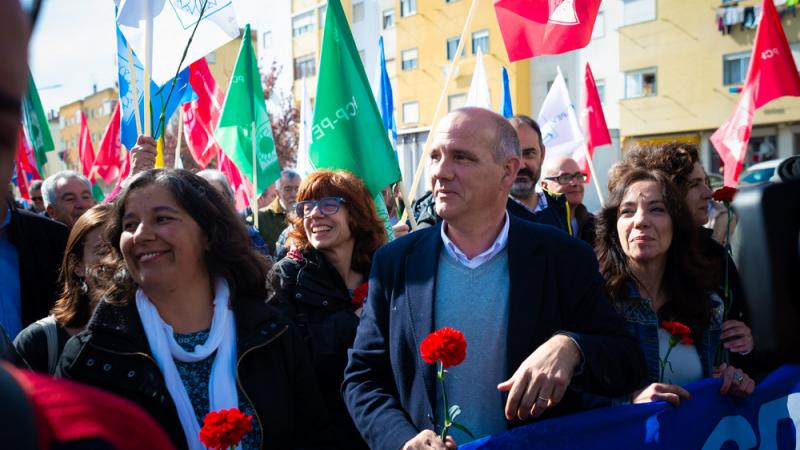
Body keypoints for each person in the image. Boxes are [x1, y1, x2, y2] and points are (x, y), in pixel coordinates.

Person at [342, 108, 645, 450]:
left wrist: (572, 347)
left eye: (461, 157)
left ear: (507, 171)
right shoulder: (396, 263)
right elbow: (363, 378)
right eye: (436, 157)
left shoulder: (564, 257)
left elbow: (626, 361)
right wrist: (402, 440)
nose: (441, 172)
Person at [57, 169, 333, 450]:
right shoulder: (90, 356)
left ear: (208, 234)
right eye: (129, 224)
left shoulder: (273, 334)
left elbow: (315, 438)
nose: (141, 235)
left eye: (162, 219)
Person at [595, 168, 755, 405]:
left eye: (656, 209)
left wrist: (736, 377)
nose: (640, 221)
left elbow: (724, 376)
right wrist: (628, 402)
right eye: (627, 211)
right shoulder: (594, 304)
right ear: (614, 227)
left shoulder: (708, 304)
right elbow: (572, 397)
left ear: (676, 224)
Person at [269, 170, 387, 449]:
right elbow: (288, 363)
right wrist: (353, 321)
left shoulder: (385, 272)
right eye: (306, 208)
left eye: (329, 205)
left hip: (380, 429)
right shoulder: (285, 278)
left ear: (356, 214)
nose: (314, 215)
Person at [610, 143, 753, 363]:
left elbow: (732, 341)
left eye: (705, 182)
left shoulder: (714, 255)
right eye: (695, 185)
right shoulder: (606, 282)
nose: (709, 194)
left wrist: (743, 344)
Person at [14, 204, 112, 374]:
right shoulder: (39, 340)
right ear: (77, 265)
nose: (115, 260)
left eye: (122, 249)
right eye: (103, 251)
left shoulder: (157, 328)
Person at [197, 169, 270, 257]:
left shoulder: (249, 237)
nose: (210, 200)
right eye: (202, 194)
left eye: (216, 194)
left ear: (228, 198)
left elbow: (264, 268)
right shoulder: (186, 236)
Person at [539, 155, 596, 245]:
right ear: (545, 186)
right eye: (565, 178)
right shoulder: (538, 226)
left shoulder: (596, 225)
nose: (575, 183)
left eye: (579, 176)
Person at [247, 169, 301, 253]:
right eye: (288, 189)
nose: (294, 194)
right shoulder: (259, 218)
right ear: (278, 193)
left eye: (297, 189)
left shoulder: (306, 216)